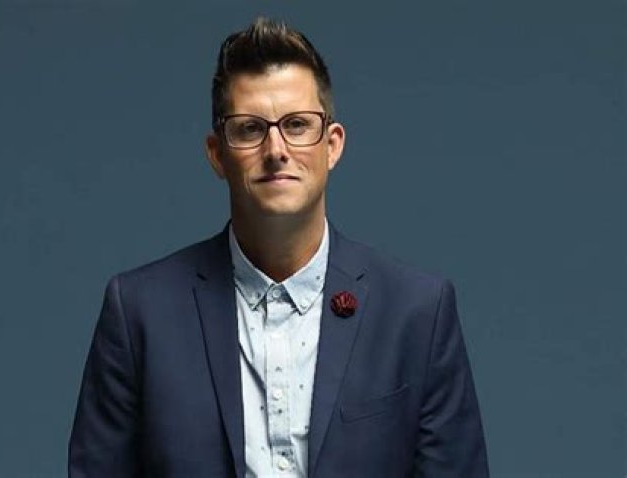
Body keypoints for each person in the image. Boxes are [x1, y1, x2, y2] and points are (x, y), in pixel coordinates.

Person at [68, 17, 489, 478]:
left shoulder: (417, 313)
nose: (276, 149)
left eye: (297, 125)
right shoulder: (139, 313)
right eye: (250, 129)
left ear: (332, 145)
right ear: (217, 153)